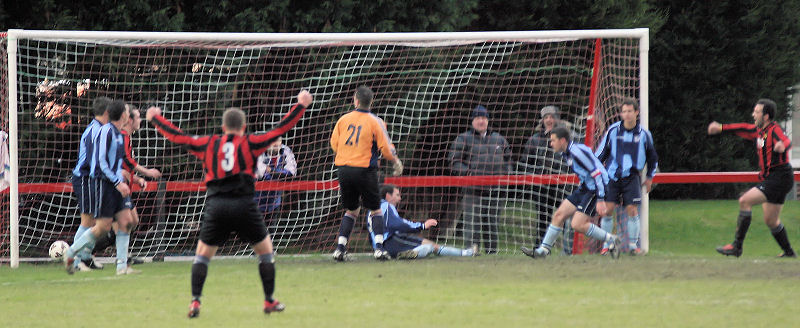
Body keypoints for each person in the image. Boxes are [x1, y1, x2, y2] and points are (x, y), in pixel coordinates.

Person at [146, 90, 312, 318]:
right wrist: (300, 105)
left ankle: (195, 302)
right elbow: (280, 129)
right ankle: (269, 300)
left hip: (217, 207)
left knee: (202, 256)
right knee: (265, 253)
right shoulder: (251, 142)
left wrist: (156, 118)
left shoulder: (209, 143)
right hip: (245, 205)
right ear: (243, 128)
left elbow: (179, 137)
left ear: (223, 128)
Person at [707, 98, 796, 258]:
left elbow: (785, 140)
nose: (753, 114)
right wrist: (719, 127)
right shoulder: (758, 131)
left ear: (766, 116)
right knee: (771, 220)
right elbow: (741, 127)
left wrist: (783, 146)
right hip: (776, 179)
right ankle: (789, 253)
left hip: (779, 177)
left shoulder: (774, 129)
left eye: (757, 112)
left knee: (745, 201)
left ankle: (736, 247)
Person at [521, 127, 621, 259]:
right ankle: (543, 251)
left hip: (595, 189)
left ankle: (611, 239)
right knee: (559, 215)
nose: (551, 144)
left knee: (577, 224)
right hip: (585, 187)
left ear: (562, 140)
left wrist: (601, 198)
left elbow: (597, 173)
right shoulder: (566, 152)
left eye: (553, 141)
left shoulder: (577, 152)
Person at [330, 86, 403, 262]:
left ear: (355, 100)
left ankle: (340, 248)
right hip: (364, 169)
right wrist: (395, 161)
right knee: (376, 209)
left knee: (351, 209)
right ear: (371, 101)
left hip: (344, 169)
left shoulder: (343, 119)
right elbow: (385, 148)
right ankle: (379, 248)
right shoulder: (376, 121)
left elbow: (334, 143)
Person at [64, 100, 136, 275]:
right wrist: (115, 179)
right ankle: (76, 255)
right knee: (93, 223)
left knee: (125, 221)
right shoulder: (98, 131)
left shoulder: (115, 132)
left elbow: (114, 160)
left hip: (107, 181)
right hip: (92, 179)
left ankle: (119, 265)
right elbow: (97, 162)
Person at [92, 106, 162, 267]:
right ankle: (84, 251)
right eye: (138, 117)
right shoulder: (121, 136)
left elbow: (123, 166)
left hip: (122, 187)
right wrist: (147, 172)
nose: (141, 120)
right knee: (117, 224)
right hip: (115, 187)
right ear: (129, 119)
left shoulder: (126, 137)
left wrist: (136, 179)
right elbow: (122, 165)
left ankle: (121, 257)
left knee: (129, 222)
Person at [595, 98, 659, 256]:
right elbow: (601, 154)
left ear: (636, 112)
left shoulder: (644, 134)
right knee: (608, 210)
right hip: (612, 176)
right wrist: (596, 172)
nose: (627, 114)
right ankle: (607, 244)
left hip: (632, 177)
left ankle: (632, 245)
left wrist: (650, 177)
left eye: (630, 111)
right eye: (624, 111)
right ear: (621, 114)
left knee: (632, 210)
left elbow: (653, 158)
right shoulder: (613, 131)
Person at [449, 105, 511, 254]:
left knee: (492, 223)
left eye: (483, 118)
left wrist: (506, 175)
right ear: (472, 121)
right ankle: (472, 252)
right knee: (472, 223)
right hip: (473, 190)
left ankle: (492, 253)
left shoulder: (499, 139)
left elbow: (509, 160)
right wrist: (468, 173)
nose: (481, 121)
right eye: (478, 118)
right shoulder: (463, 139)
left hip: (495, 190)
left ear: (488, 120)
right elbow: (454, 161)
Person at [368, 184, 479, 259]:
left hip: (381, 246)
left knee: (430, 244)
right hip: (390, 241)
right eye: (397, 195)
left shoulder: (374, 208)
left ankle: (466, 252)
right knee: (430, 247)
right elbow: (398, 224)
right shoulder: (386, 206)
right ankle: (410, 254)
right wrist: (422, 225)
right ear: (388, 196)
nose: (400, 198)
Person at [518, 106, 574, 248]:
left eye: (552, 116)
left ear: (557, 118)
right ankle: (541, 249)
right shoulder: (534, 140)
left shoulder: (568, 137)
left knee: (567, 217)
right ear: (542, 120)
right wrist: (537, 175)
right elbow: (525, 164)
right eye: (546, 117)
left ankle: (568, 249)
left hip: (563, 186)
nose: (549, 120)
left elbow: (573, 160)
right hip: (542, 187)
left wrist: (564, 174)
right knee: (542, 218)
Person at [68, 96, 110, 272]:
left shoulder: (98, 128)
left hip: (89, 178)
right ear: (107, 112)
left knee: (93, 221)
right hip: (85, 178)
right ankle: (75, 260)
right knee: (87, 221)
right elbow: (94, 162)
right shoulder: (95, 130)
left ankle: (84, 258)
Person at [254, 137, 296, 231]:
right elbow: (260, 176)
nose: (276, 144)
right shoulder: (258, 152)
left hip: (274, 203)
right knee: (257, 236)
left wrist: (270, 170)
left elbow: (291, 174)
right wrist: (279, 174)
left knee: (270, 235)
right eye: (273, 141)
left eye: (278, 140)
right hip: (256, 202)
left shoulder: (285, 151)